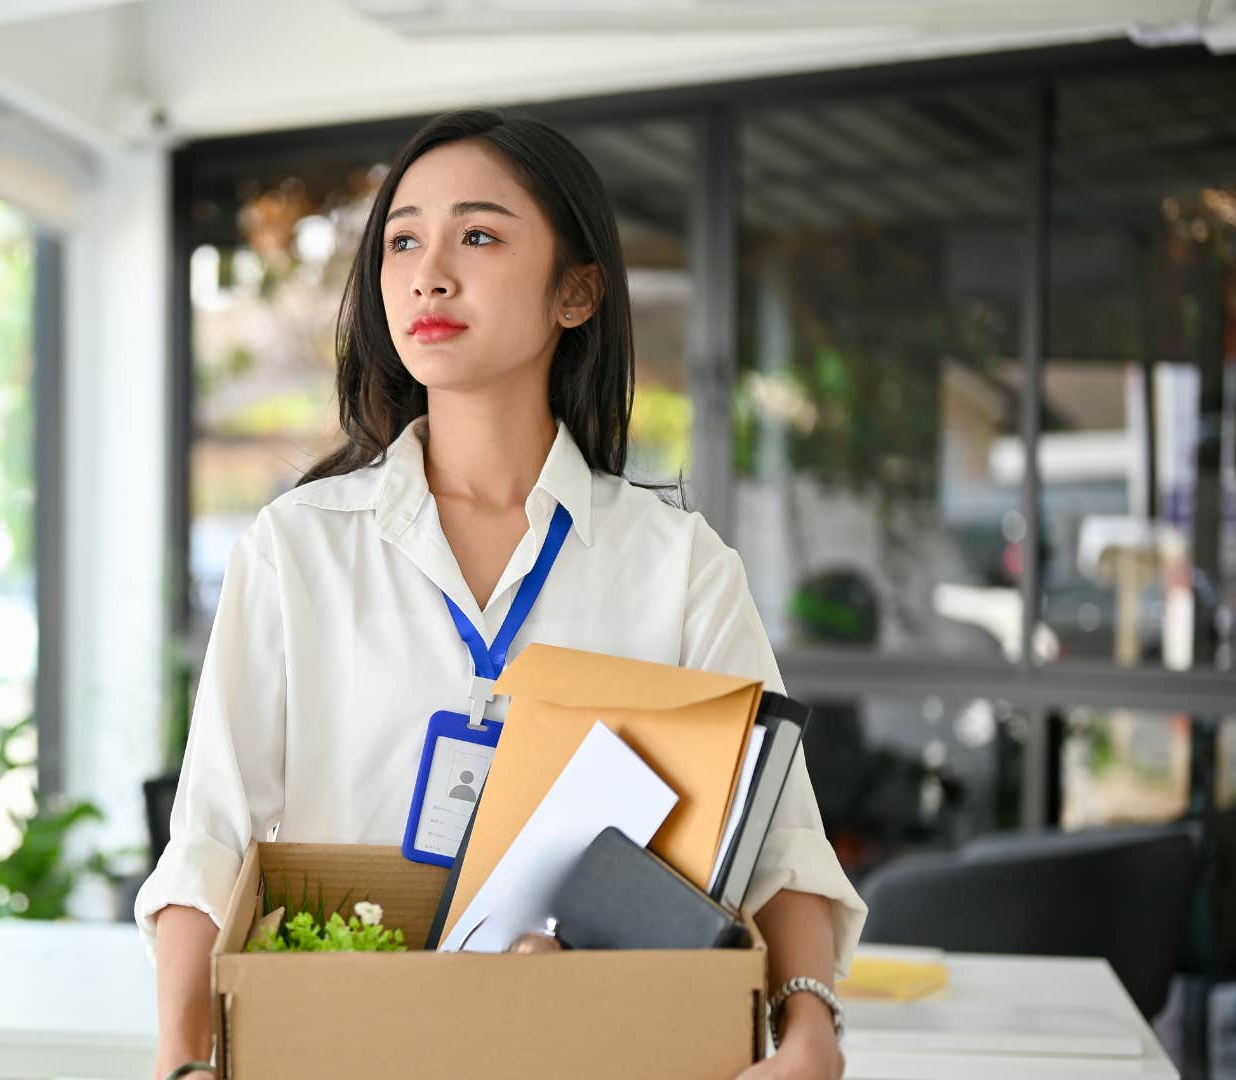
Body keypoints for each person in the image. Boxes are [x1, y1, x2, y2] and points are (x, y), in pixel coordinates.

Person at [137, 108, 866, 1080]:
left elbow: (778, 843)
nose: (429, 273)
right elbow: (209, 843)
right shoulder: (296, 550)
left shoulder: (679, 567)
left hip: (602, 1055)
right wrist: (182, 1062)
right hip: (345, 1052)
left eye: (478, 236)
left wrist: (811, 1032)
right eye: (403, 242)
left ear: (576, 292)